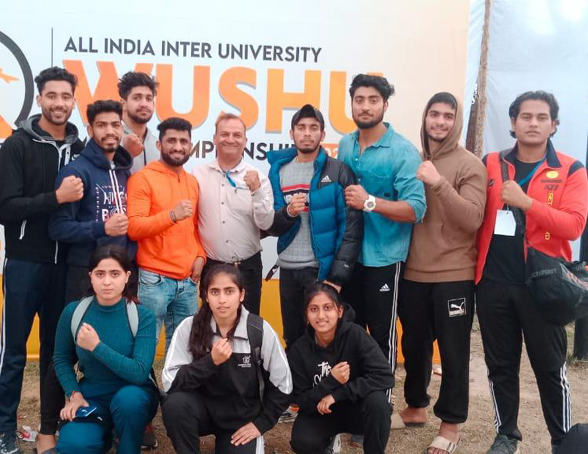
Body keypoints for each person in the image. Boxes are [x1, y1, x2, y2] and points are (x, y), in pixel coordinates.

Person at [476, 91, 588, 454]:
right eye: (525, 116)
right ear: (512, 123)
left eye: (542, 117)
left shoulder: (571, 169)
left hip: (544, 286)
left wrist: (527, 203)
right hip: (493, 282)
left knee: (550, 368)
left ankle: (562, 440)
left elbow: (573, 226)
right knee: (501, 366)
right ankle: (506, 434)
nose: (533, 123)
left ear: (554, 125)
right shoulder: (490, 163)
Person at [0, 66, 84, 454]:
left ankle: (54, 425)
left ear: (73, 99)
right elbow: (5, 209)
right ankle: (4, 430)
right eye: (52, 96)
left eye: (66, 96)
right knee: (13, 350)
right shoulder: (17, 146)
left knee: (56, 352)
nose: (59, 103)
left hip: (67, 268)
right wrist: (55, 198)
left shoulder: (82, 148)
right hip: (25, 263)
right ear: (39, 98)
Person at [397, 92, 487, 454]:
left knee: (453, 351)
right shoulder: (412, 160)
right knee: (414, 346)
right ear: (425, 118)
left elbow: (472, 219)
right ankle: (416, 406)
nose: (440, 122)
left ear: (456, 122)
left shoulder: (469, 165)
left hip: (454, 273)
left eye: (448, 116)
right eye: (434, 114)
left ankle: (450, 424)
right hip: (413, 272)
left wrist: (438, 183)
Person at [337, 74, 426, 407]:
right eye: (359, 99)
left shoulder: (402, 151)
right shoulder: (346, 144)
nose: (365, 106)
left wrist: (370, 201)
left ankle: (380, 406)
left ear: (385, 105)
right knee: (350, 332)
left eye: (373, 100)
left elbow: (416, 208)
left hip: (385, 259)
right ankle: (355, 401)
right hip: (349, 258)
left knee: (381, 337)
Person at [161, 264, 292, 453]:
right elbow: (170, 382)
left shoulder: (259, 330)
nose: (222, 300)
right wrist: (210, 361)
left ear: (241, 295)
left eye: (229, 291)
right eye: (215, 292)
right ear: (206, 295)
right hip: (202, 410)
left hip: (240, 421)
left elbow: (284, 386)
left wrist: (260, 424)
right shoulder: (189, 327)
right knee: (175, 405)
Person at [267, 104, 362, 349]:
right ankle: (295, 388)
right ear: (292, 134)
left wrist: (338, 276)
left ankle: (324, 387)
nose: (307, 133)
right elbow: (273, 225)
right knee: (293, 337)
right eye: (301, 128)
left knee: (324, 339)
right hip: (288, 268)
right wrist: (288, 213)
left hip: (320, 271)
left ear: (322, 134)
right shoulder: (278, 171)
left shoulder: (339, 171)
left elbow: (350, 228)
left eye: (313, 128)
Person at [52, 245, 158, 454]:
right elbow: (61, 358)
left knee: (128, 402)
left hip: (134, 395)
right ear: (91, 276)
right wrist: (74, 394)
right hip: (93, 396)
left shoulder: (143, 316)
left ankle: (128, 445)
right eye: (100, 274)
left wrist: (96, 346)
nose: (107, 281)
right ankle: (104, 436)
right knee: (72, 446)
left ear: (127, 276)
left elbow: (138, 373)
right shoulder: (74, 312)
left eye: (115, 274)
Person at [127, 117, 206, 350]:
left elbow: (194, 228)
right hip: (154, 280)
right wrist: (171, 216)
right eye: (171, 140)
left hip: (188, 282)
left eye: (184, 141)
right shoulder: (143, 178)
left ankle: (178, 388)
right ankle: (142, 388)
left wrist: (201, 255)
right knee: (145, 345)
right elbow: (134, 228)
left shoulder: (192, 182)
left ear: (191, 146)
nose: (178, 146)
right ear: (159, 145)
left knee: (185, 347)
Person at [288, 284, 394, 454]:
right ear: (306, 315)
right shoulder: (299, 350)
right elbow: (301, 400)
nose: (321, 316)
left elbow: (385, 377)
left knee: (378, 403)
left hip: (356, 408)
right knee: (303, 441)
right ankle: (328, 442)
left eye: (328, 308)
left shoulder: (356, 335)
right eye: (314, 309)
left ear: (339, 311)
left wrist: (337, 395)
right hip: (322, 411)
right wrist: (331, 381)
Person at [49, 100, 135, 303]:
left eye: (115, 125)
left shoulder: (124, 172)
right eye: (101, 125)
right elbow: (58, 228)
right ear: (90, 129)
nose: (109, 131)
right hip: (85, 273)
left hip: (122, 271)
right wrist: (103, 228)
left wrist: (131, 255)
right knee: (82, 333)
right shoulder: (75, 172)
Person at [194, 113, 274, 315]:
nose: (230, 139)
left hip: (247, 268)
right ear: (214, 138)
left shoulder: (259, 178)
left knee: (248, 329)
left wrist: (256, 191)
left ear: (245, 141)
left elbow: (266, 224)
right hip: (211, 267)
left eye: (237, 135)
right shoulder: (198, 175)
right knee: (210, 328)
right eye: (224, 134)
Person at [118, 71, 160, 173]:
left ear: (153, 105)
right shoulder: (110, 139)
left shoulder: (158, 146)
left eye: (149, 99)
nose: (144, 104)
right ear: (123, 104)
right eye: (137, 98)